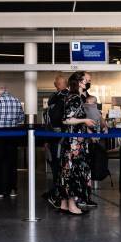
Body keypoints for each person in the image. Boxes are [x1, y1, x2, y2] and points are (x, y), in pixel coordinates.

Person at [58, 71, 96, 216]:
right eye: (86, 80)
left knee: (66, 172)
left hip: (73, 141)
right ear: (79, 82)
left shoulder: (73, 97)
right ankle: (72, 205)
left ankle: (64, 204)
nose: (88, 82)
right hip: (74, 144)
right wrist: (85, 121)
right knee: (74, 172)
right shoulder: (75, 98)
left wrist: (87, 129)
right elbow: (66, 119)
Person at [43, 74, 69, 208]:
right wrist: (47, 139)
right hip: (52, 136)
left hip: (61, 137)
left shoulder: (66, 97)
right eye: (55, 82)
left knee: (59, 166)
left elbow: (62, 119)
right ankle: (55, 191)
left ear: (65, 83)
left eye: (58, 82)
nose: (55, 84)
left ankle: (60, 194)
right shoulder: (55, 96)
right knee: (54, 164)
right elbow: (49, 119)